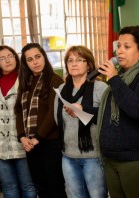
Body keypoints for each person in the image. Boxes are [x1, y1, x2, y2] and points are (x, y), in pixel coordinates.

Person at [97, 25, 139, 198]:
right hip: (113, 159)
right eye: (118, 46)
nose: (119, 51)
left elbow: (137, 109)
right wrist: (84, 110)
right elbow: (114, 111)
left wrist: (113, 79)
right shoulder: (121, 76)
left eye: (126, 47)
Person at [0, 45, 37, 198]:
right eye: (2, 58)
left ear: (16, 58)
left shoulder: (27, 79)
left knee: (28, 186)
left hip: (22, 142)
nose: (7, 60)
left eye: (10, 56)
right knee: (8, 187)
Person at [54, 45, 108, 198]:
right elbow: (57, 120)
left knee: (97, 195)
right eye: (70, 61)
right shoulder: (62, 88)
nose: (74, 63)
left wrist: (83, 111)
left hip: (93, 156)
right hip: (68, 155)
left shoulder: (101, 88)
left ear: (89, 64)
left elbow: (107, 118)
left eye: (79, 60)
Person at [14, 43, 66, 198]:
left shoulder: (54, 79)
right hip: (30, 144)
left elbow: (53, 112)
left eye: (37, 57)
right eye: (29, 60)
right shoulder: (25, 82)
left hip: (50, 143)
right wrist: (22, 136)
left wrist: (37, 138)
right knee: (41, 188)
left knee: (55, 188)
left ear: (44, 56)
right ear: (25, 63)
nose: (35, 62)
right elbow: (18, 111)